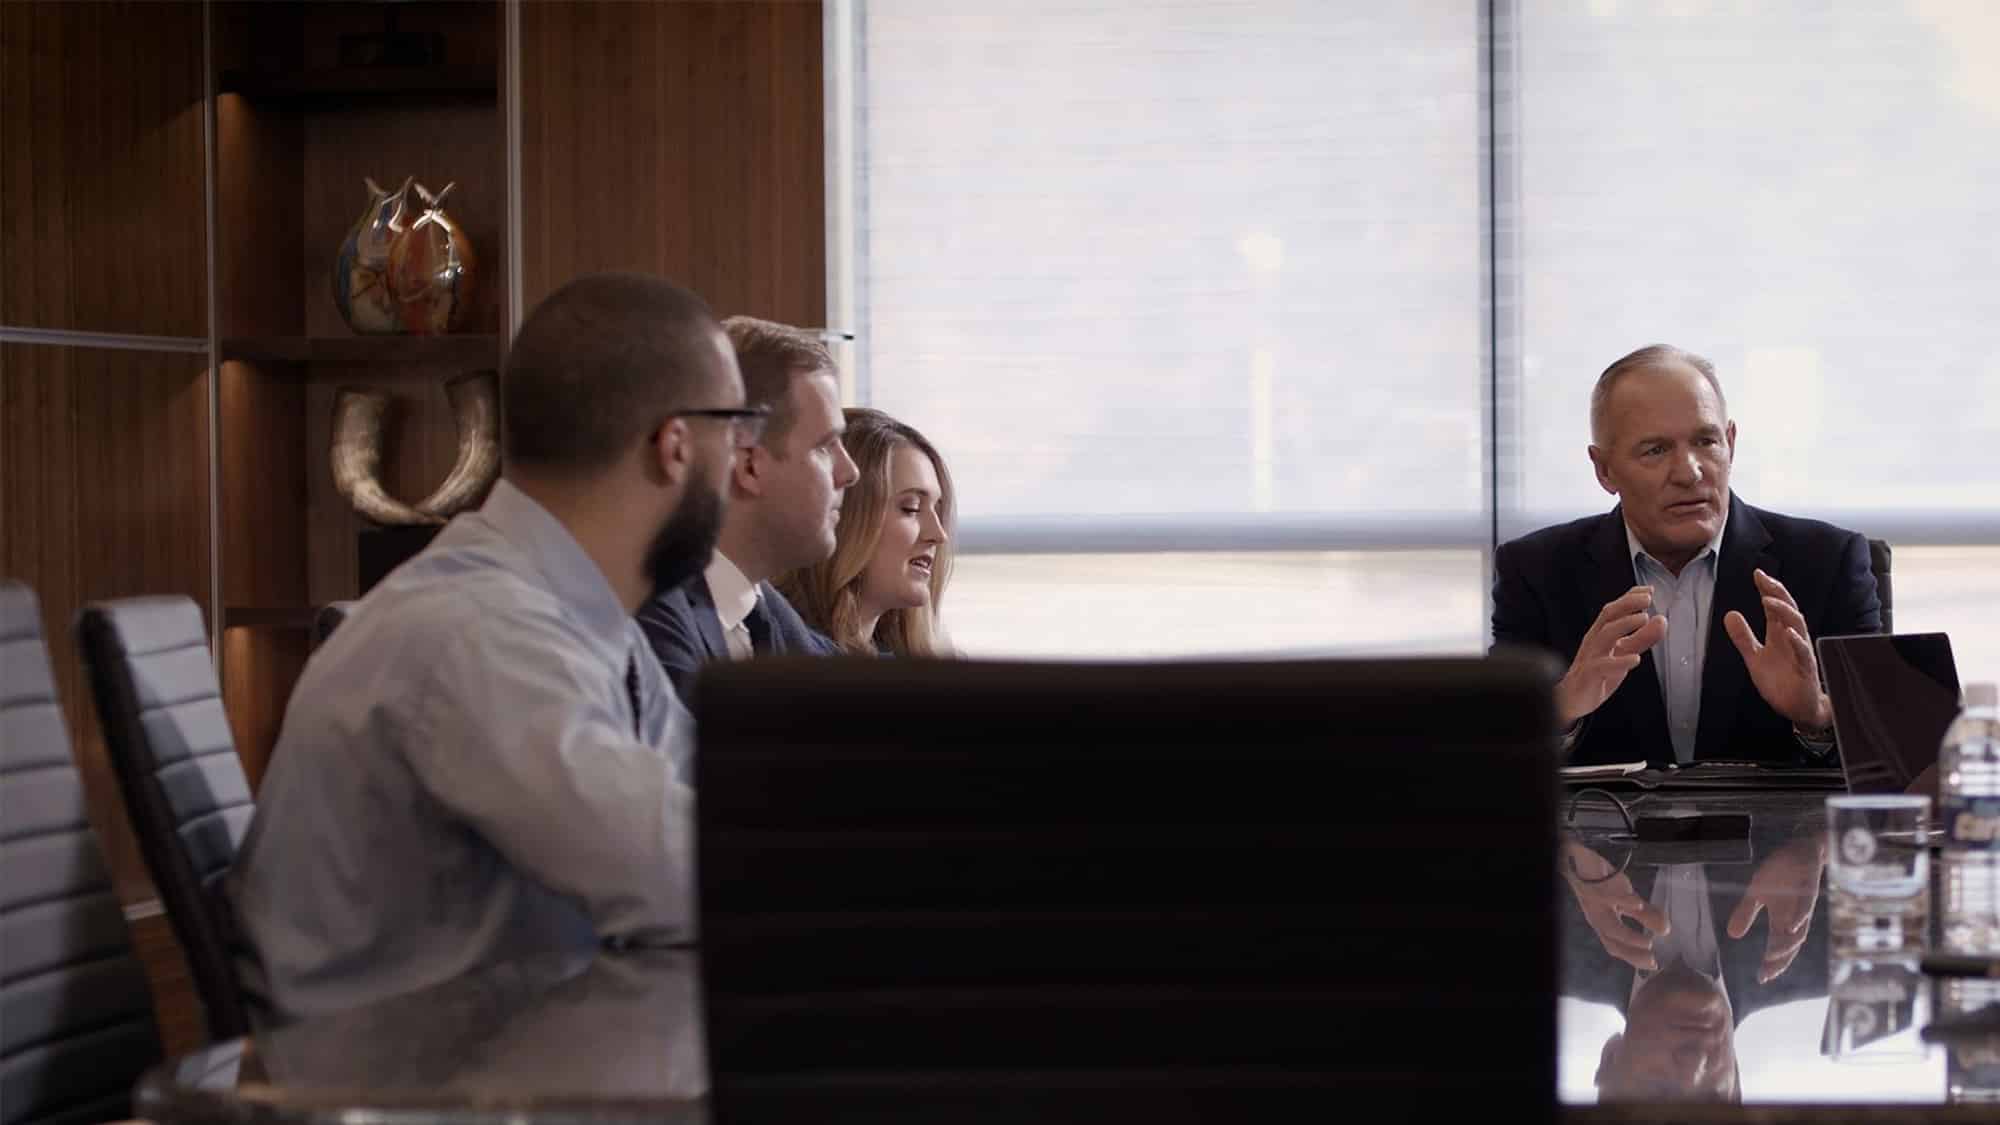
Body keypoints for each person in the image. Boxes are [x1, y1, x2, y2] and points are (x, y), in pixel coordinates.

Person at [230, 273, 754, 1020]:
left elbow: (704, 812)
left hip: (496, 1055)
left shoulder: (583, 617)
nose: (739, 465)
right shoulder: (483, 634)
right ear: (674, 445)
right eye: (735, 430)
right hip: (395, 1091)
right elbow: (690, 880)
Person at [1492, 344, 1881, 768]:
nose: (1689, 472)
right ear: (1604, 470)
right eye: (1655, 450)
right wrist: (1561, 709)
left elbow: (1891, 764)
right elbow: (1497, 768)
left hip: (1780, 833)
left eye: (1706, 441)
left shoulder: (1827, 563)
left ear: (1730, 443)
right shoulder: (1534, 572)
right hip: (1602, 834)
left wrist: (1816, 718)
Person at [637, 316, 859, 698]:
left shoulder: (762, 611)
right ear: (748, 465)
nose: (850, 472)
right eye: (824, 446)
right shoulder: (650, 609)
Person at [1560, 821, 1828, 1101]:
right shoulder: (1829, 957)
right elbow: (1873, 815)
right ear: (1736, 1084)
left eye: (1659, 1091)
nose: (1694, 1062)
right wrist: (1822, 845)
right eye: (1712, 1097)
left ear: (1611, 1060)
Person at [774, 407, 954, 656]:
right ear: (843, 516)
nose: (938, 534)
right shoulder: (778, 651)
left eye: (937, 509)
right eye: (911, 508)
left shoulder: (916, 663)